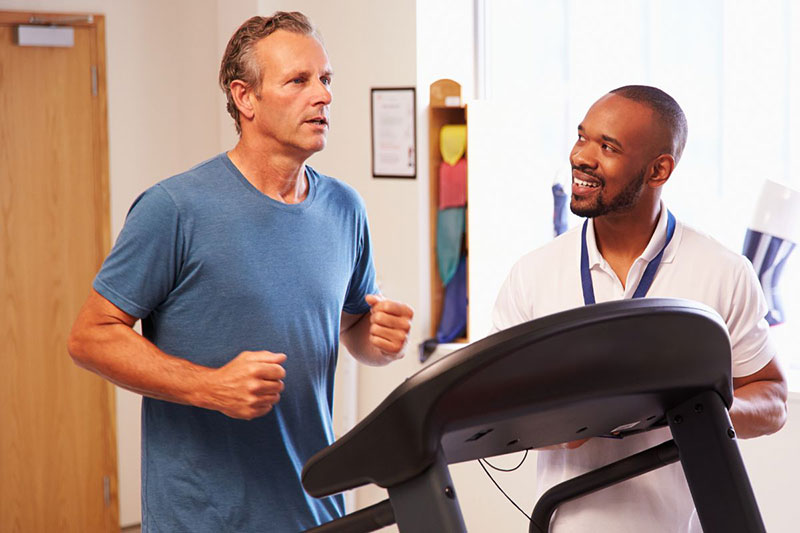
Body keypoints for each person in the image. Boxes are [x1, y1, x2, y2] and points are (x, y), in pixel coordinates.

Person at [67, 12, 414, 532]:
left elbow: (350, 329)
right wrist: (210, 387)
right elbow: (90, 337)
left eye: (325, 79)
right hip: (205, 519)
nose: (322, 95)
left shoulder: (345, 208)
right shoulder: (175, 208)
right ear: (245, 98)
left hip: (315, 510)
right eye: (298, 80)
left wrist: (378, 338)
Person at [491, 85, 787, 532]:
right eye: (582, 136)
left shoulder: (723, 271)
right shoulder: (532, 274)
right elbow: (494, 409)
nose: (582, 157)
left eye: (607, 147)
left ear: (658, 170)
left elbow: (772, 399)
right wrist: (560, 422)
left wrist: (696, 413)